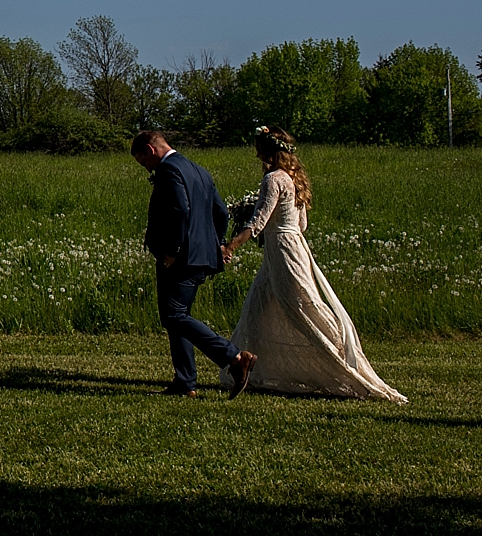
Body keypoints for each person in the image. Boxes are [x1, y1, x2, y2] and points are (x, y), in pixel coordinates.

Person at [216, 127, 406, 402]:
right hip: (290, 246)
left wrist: (231, 245)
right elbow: (301, 224)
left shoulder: (273, 179)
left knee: (302, 306)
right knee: (257, 307)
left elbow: (258, 222)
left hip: (283, 250)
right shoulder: (293, 179)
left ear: (266, 151)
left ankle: (340, 359)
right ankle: (253, 370)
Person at [134, 129, 255, 398]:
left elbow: (179, 209)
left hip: (181, 256)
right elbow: (221, 211)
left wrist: (173, 250)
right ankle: (185, 382)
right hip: (202, 256)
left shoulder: (169, 170)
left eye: (144, 162)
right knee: (178, 317)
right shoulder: (200, 170)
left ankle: (235, 358)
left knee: (174, 316)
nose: (148, 169)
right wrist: (219, 243)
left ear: (151, 151)